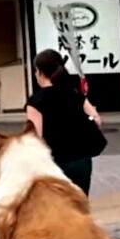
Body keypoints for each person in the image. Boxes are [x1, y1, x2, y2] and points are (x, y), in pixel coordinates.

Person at [25, 49, 103, 195]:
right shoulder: (74, 93)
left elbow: (36, 138)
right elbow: (97, 119)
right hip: (81, 161)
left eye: (36, 70)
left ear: (41, 72)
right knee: (79, 206)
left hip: (54, 163)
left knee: (57, 209)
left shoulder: (35, 102)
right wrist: (89, 121)